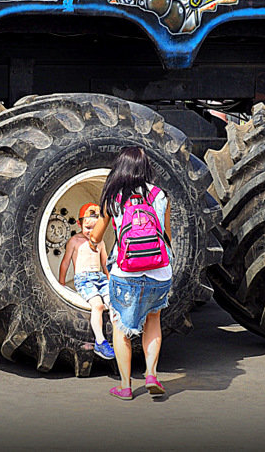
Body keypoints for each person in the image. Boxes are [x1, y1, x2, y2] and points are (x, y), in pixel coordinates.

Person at [85, 146, 172, 400]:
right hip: (159, 272)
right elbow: (166, 235)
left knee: (120, 327)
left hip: (126, 273)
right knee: (153, 321)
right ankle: (151, 375)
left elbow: (96, 236)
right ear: (146, 168)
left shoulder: (113, 198)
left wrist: (92, 242)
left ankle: (125, 386)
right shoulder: (160, 195)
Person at [58, 203, 114, 360]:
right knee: (98, 305)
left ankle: (119, 339)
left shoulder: (100, 242)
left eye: (95, 228)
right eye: (88, 227)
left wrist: (109, 279)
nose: (91, 232)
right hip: (84, 279)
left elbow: (105, 264)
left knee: (114, 304)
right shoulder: (75, 241)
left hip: (100, 278)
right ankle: (100, 342)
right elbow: (65, 262)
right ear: (79, 223)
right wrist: (61, 283)